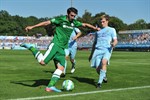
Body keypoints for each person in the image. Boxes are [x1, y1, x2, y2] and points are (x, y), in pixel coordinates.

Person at [21, 7, 99, 92]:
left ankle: (50, 86)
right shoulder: (60, 19)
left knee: (61, 69)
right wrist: (33, 27)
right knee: (42, 62)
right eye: (72, 15)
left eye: (74, 16)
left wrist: (95, 28)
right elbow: (47, 22)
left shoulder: (74, 23)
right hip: (55, 45)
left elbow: (85, 25)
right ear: (68, 14)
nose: (73, 17)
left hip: (62, 48)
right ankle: (32, 47)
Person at [89, 14, 118, 88]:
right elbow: (94, 43)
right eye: (101, 22)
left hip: (107, 49)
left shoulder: (111, 29)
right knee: (97, 69)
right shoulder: (98, 32)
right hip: (97, 50)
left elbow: (115, 40)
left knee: (104, 62)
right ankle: (104, 76)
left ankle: (99, 83)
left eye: (103, 21)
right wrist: (91, 54)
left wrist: (113, 44)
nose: (102, 23)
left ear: (107, 21)